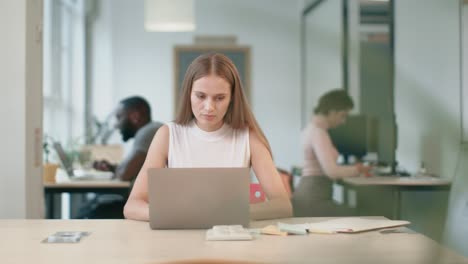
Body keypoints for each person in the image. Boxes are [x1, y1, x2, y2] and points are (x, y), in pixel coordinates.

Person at [124, 53, 293, 221]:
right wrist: (172, 214)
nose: (209, 107)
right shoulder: (167, 135)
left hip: (231, 239)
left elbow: (283, 206)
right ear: (188, 93)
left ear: (232, 98)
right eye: (200, 96)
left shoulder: (248, 137)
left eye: (220, 98)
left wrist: (230, 214)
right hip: (179, 238)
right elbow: (132, 207)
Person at [80, 96, 163, 219]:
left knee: (90, 211)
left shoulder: (148, 132)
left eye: (119, 117)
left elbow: (126, 173)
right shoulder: (150, 130)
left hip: (145, 207)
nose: (116, 125)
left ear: (135, 116)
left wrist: (119, 170)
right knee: (91, 206)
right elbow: (131, 169)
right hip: (144, 204)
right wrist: (113, 168)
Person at [292, 89, 371, 217]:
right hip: (313, 200)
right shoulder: (319, 133)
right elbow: (332, 172)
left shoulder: (310, 129)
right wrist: (358, 169)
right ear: (332, 111)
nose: (343, 121)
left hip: (306, 196)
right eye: (343, 115)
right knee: (364, 217)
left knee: (358, 215)